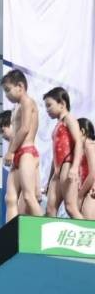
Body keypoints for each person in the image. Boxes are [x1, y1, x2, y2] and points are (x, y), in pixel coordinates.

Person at [0, 69, 43, 219]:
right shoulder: (17, 107)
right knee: (10, 199)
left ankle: (44, 229)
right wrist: (12, 151)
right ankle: (11, 230)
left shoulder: (27, 101)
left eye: (8, 90)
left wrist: (10, 151)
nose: (6, 95)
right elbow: (15, 133)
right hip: (18, 154)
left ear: (20, 86)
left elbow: (25, 129)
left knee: (29, 197)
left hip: (26, 152)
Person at [44, 87, 83, 219]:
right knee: (50, 209)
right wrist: (49, 180)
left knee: (70, 207)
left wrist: (75, 167)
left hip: (67, 165)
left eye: (49, 105)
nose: (47, 110)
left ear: (62, 104)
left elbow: (79, 142)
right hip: (57, 170)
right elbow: (54, 157)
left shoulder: (69, 119)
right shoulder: (58, 124)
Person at [77, 118, 95, 219]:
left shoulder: (89, 145)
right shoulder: (85, 147)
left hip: (91, 191)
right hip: (87, 189)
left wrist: (80, 195)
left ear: (82, 131)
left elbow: (92, 174)